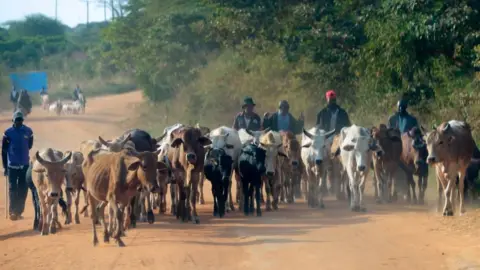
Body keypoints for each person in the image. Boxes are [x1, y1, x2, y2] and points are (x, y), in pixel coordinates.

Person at [2, 111, 34, 221]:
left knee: (23, 189)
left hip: (25, 166)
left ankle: (19, 211)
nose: (19, 122)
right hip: (12, 166)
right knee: (12, 189)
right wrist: (5, 167)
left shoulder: (28, 131)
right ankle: (12, 211)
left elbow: (29, 145)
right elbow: (3, 151)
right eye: (17, 120)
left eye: (20, 120)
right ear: (13, 121)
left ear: (22, 121)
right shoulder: (8, 133)